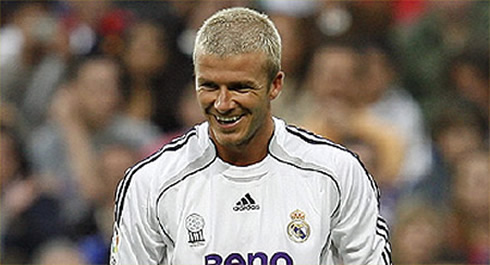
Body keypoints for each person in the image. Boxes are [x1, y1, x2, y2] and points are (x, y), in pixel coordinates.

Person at [110, 7, 391, 265]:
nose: (222, 103)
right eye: (209, 86)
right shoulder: (151, 182)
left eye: (240, 87)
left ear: (274, 85)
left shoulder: (336, 174)